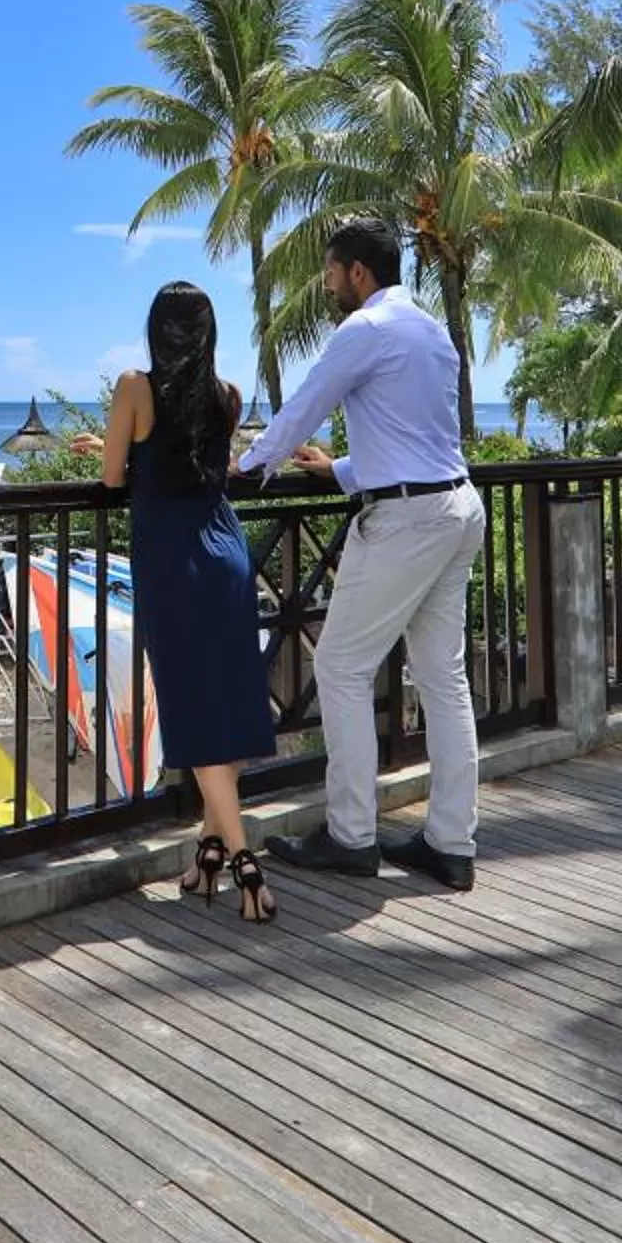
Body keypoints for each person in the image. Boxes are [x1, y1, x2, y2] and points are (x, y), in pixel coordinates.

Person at [237, 217, 485, 891]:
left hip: (408, 520)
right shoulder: (431, 330)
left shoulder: (365, 330)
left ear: (357, 272)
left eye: (330, 271)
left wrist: (248, 464)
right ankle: (451, 842)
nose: (326, 285)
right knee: (444, 680)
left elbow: (302, 409)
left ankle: (351, 836)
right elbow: (419, 434)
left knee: (342, 668)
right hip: (457, 506)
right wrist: (344, 471)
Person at [104, 282, 281, 922]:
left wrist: (115, 453)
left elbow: (111, 478)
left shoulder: (133, 387)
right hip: (225, 549)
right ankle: (208, 851)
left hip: (172, 558)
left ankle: (243, 861)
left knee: (192, 705)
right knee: (226, 699)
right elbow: (209, 467)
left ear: (157, 330)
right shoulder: (227, 396)